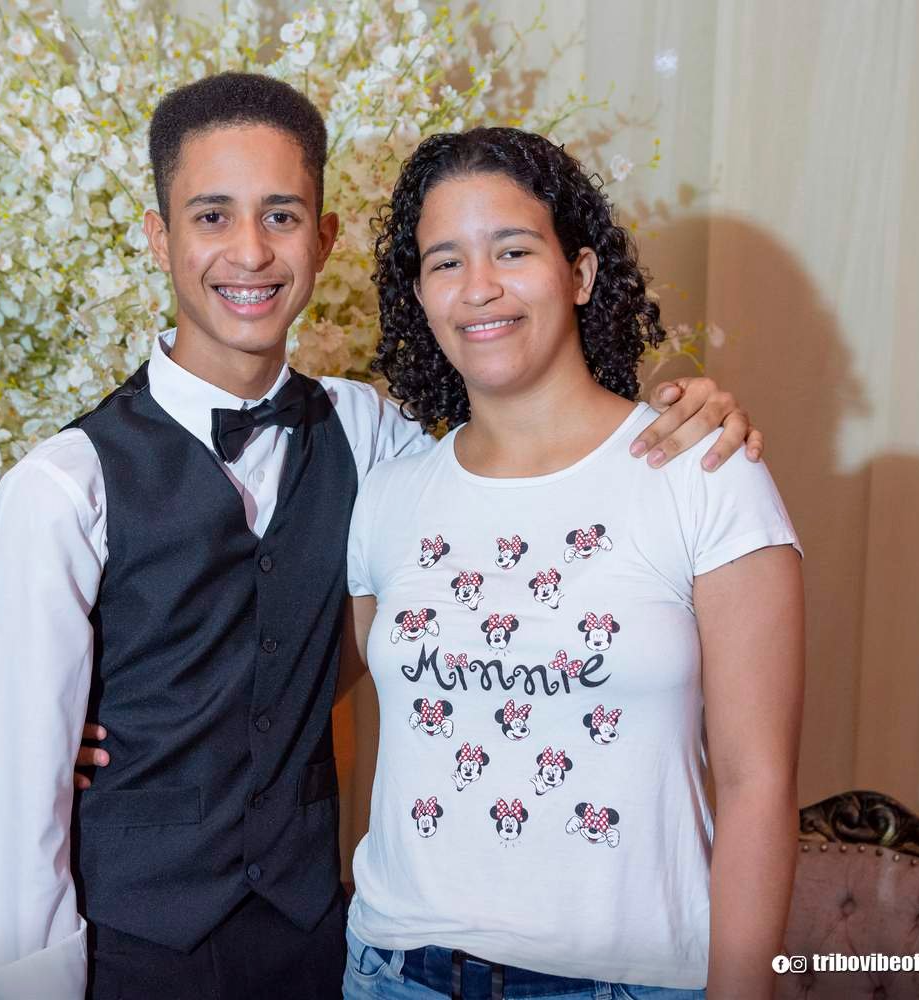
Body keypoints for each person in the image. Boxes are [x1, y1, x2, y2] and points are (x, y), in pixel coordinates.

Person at [0, 73, 763, 1000]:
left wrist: (689, 412)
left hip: (320, 944)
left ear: (323, 240)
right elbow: (20, 805)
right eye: (212, 216)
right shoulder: (61, 485)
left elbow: (520, 465)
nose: (250, 251)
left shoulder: (373, 437)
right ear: (159, 238)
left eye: (281, 216)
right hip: (129, 951)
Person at [334, 127, 805, 999]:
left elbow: (759, 785)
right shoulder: (389, 496)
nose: (479, 286)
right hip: (395, 972)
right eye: (445, 262)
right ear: (420, 295)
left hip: (624, 982)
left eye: (513, 250)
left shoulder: (703, 472)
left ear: (580, 273)